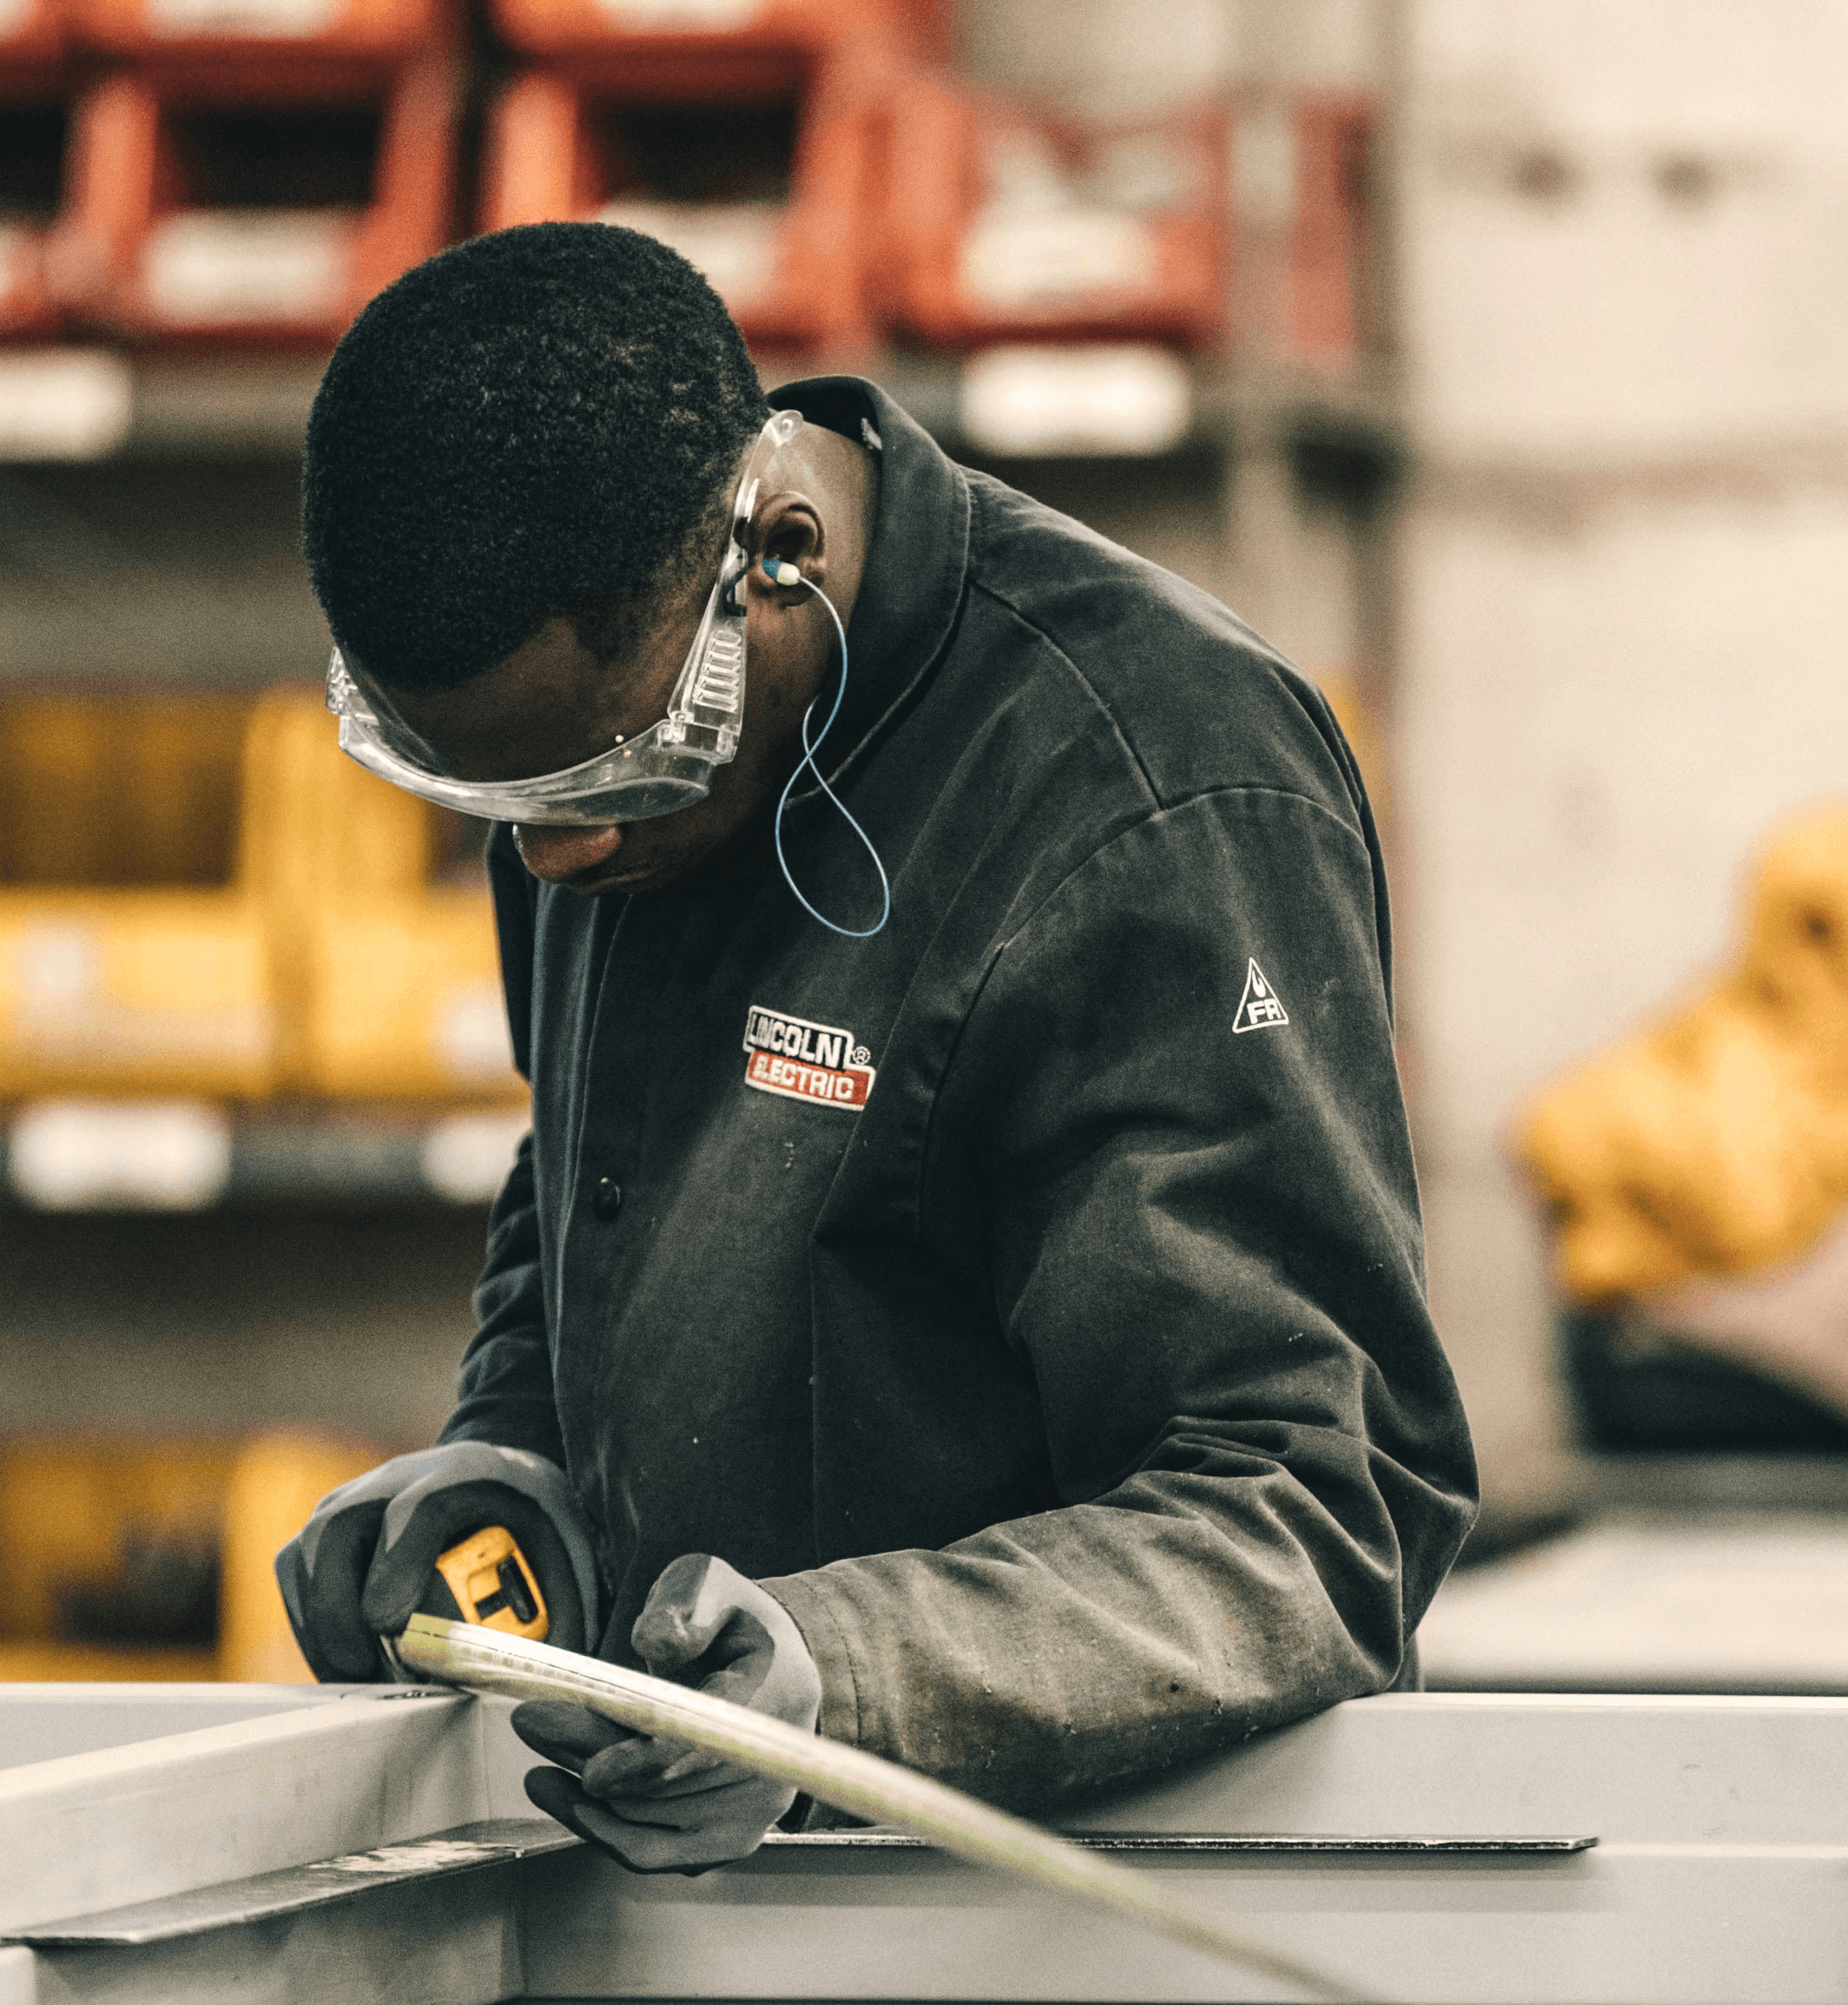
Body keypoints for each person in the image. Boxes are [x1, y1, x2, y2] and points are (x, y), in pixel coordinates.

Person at [277, 221, 1475, 1873]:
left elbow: (1306, 1516)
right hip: (706, 1899)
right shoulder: (597, 741)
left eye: (609, 787)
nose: (554, 864)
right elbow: (593, 1170)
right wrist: (516, 1468)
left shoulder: (1151, 794)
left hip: (1060, 1920)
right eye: (508, 809)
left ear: (772, 551)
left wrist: (849, 1684)